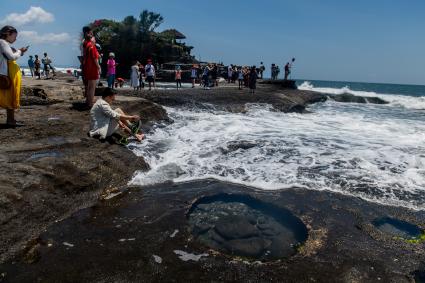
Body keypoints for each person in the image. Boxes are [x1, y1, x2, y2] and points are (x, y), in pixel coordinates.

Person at [0, 26, 28, 126]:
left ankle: (11, 120)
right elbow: (11, 57)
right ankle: (10, 120)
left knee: (8, 96)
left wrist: (18, 52)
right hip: (5, 73)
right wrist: (20, 52)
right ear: (8, 33)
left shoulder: (3, 43)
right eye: (14, 36)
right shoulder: (3, 42)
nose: (15, 39)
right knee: (10, 96)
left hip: (6, 72)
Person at [82, 26, 100, 107]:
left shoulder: (85, 44)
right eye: (92, 35)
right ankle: (90, 103)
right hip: (92, 68)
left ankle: (88, 101)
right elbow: (95, 58)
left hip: (87, 67)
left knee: (89, 86)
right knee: (92, 87)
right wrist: (98, 67)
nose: (93, 37)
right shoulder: (91, 45)